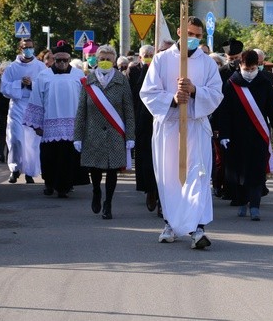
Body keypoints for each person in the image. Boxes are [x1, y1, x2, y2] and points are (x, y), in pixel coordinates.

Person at [140, 16, 223, 249]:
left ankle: (197, 228)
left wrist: (195, 90)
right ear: (179, 31)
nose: (194, 39)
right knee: (170, 177)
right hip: (169, 126)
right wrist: (173, 99)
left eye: (198, 36)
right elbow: (148, 93)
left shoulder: (207, 63)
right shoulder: (161, 59)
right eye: (190, 34)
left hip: (195, 126)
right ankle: (170, 223)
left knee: (197, 176)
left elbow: (217, 94)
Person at [218, 49, 273, 221]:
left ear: (258, 67)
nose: (249, 72)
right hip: (236, 136)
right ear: (240, 66)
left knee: (256, 171)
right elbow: (224, 112)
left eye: (253, 68)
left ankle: (255, 206)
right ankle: (241, 202)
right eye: (246, 69)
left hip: (258, 135)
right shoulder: (232, 83)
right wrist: (223, 134)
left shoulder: (264, 82)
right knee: (239, 172)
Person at [74, 44, 135, 220]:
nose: (105, 62)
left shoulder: (121, 81)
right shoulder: (88, 81)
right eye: (102, 59)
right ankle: (96, 191)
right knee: (95, 168)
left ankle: (108, 203)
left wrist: (130, 136)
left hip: (115, 134)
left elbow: (128, 111)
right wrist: (77, 136)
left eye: (109, 59)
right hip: (93, 133)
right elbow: (81, 112)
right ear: (97, 60)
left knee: (112, 170)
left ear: (114, 61)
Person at [25, 40, 87, 198]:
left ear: (69, 59)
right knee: (50, 157)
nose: (61, 63)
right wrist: (36, 123)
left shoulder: (79, 75)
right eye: (58, 60)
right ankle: (49, 183)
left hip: (72, 124)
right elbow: (36, 99)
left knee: (69, 157)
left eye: (65, 60)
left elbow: (85, 100)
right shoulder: (44, 76)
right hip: (50, 122)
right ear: (53, 59)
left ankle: (65, 187)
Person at [1, 38, 48, 184]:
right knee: (16, 139)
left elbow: (46, 86)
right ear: (20, 49)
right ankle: (14, 169)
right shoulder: (12, 68)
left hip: (33, 104)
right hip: (17, 105)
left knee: (31, 141)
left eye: (30, 47)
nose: (28, 50)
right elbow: (4, 88)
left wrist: (31, 84)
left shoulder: (40, 67)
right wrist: (19, 84)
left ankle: (29, 171)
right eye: (25, 47)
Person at [127, 44, 161, 216]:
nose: (149, 56)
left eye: (151, 54)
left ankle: (163, 199)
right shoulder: (134, 72)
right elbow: (133, 97)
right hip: (144, 120)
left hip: (163, 118)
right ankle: (151, 191)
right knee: (147, 159)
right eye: (145, 54)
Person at [213, 37, 243, 202]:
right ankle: (221, 186)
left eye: (237, 58)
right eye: (231, 59)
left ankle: (237, 190)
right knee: (223, 158)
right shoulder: (221, 72)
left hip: (241, 121)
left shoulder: (246, 72)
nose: (234, 62)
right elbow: (216, 100)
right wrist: (216, 125)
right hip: (223, 120)